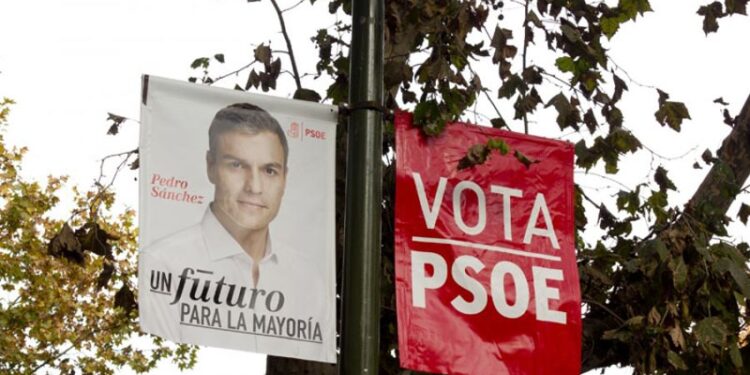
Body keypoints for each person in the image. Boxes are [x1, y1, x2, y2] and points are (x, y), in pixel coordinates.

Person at [138, 103, 333, 363]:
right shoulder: (164, 264)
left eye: (269, 170)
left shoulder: (311, 281)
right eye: (237, 165)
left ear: (285, 178)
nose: (254, 187)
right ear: (210, 166)